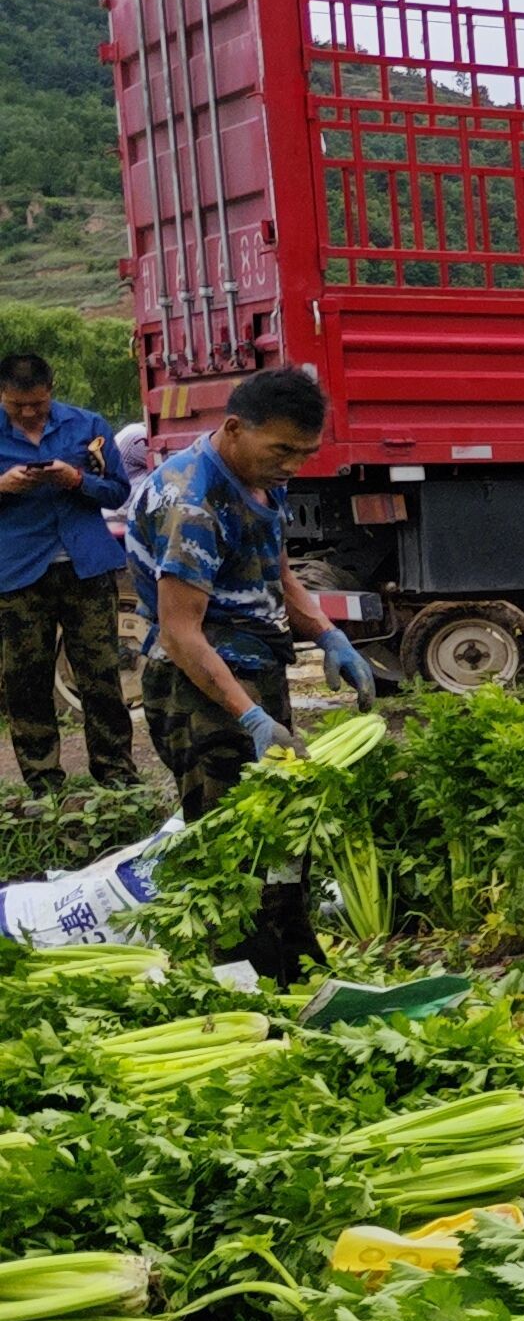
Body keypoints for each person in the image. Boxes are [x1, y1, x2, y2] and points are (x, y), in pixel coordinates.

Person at [128, 367, 370, 976]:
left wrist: (328, 634)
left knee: (284, 828)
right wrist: (254, 717)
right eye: (282, 450)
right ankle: (243, 977)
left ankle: (293, 959)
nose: (292, 464)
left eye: (305, 453)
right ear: (235, 429)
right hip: (199, 685)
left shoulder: (261, 481)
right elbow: (182, 633)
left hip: (254, 665)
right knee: (231, 843)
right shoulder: (192, 502)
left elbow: (277, 573)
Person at [0, 354, 139, 791]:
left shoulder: (87, 425)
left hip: (87, 567)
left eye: (36, 404)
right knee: (26, 682)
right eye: (16, 405)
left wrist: (76, 480)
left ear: (51, 390)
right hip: (18, 571)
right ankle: (44, 784)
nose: (27, 413)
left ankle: (116, 776)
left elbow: (119, 489)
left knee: (100, 676)